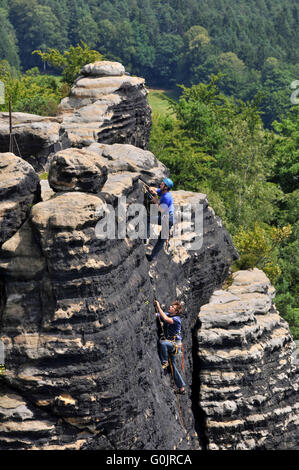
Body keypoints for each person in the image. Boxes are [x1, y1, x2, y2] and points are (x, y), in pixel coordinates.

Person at [154, 299, 186, 395]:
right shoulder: (169, 314)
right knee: (173, 367)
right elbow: (161, 315)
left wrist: (158, 306)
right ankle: (181, 388)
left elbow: (165, 319)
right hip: (171, 344)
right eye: (171, 306)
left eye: (173, 307)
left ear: (175, 312)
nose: (170, 307)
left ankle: (164, 362)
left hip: (174, 345)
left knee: (162, 343)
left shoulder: (176, 319)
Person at [146, 178, 174, 262]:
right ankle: (151, 257)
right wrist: (151, 189)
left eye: (162, 184)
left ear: (166, 187)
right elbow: (155, 190)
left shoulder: (166, 197)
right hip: (170, 217)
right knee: (162, 240)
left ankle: (145, 237)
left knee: (146, 219)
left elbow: (162, 210)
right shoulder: (163, 191)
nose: (160, 184)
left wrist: (155, 201)